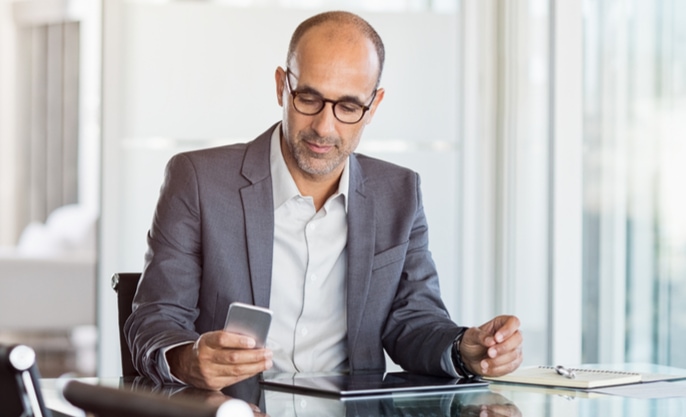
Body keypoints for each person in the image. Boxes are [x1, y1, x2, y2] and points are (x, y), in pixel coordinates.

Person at [125, 10, 523, 390]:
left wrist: (462, 349)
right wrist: (187, 359)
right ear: (282, 86)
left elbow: (414, 323)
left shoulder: (399, 193)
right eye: (309, 99)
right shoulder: (198, 181)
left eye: (348, 106)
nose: (324, 127)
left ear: (374, 106)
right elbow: (155, 319)